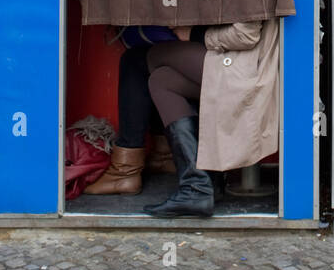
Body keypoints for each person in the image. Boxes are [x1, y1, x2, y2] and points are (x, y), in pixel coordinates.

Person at [142, 19, 281, 218]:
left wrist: (195, 34)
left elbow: (246, 35)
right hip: (239, 59)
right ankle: (200, 185)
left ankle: (198, 186)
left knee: (155, 55)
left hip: (250, 66)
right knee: (162, 81)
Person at [82, 37, 177, 196]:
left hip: (222, 60)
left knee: (135, 60)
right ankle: (164, 155)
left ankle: (124, 172)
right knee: (157, 59)